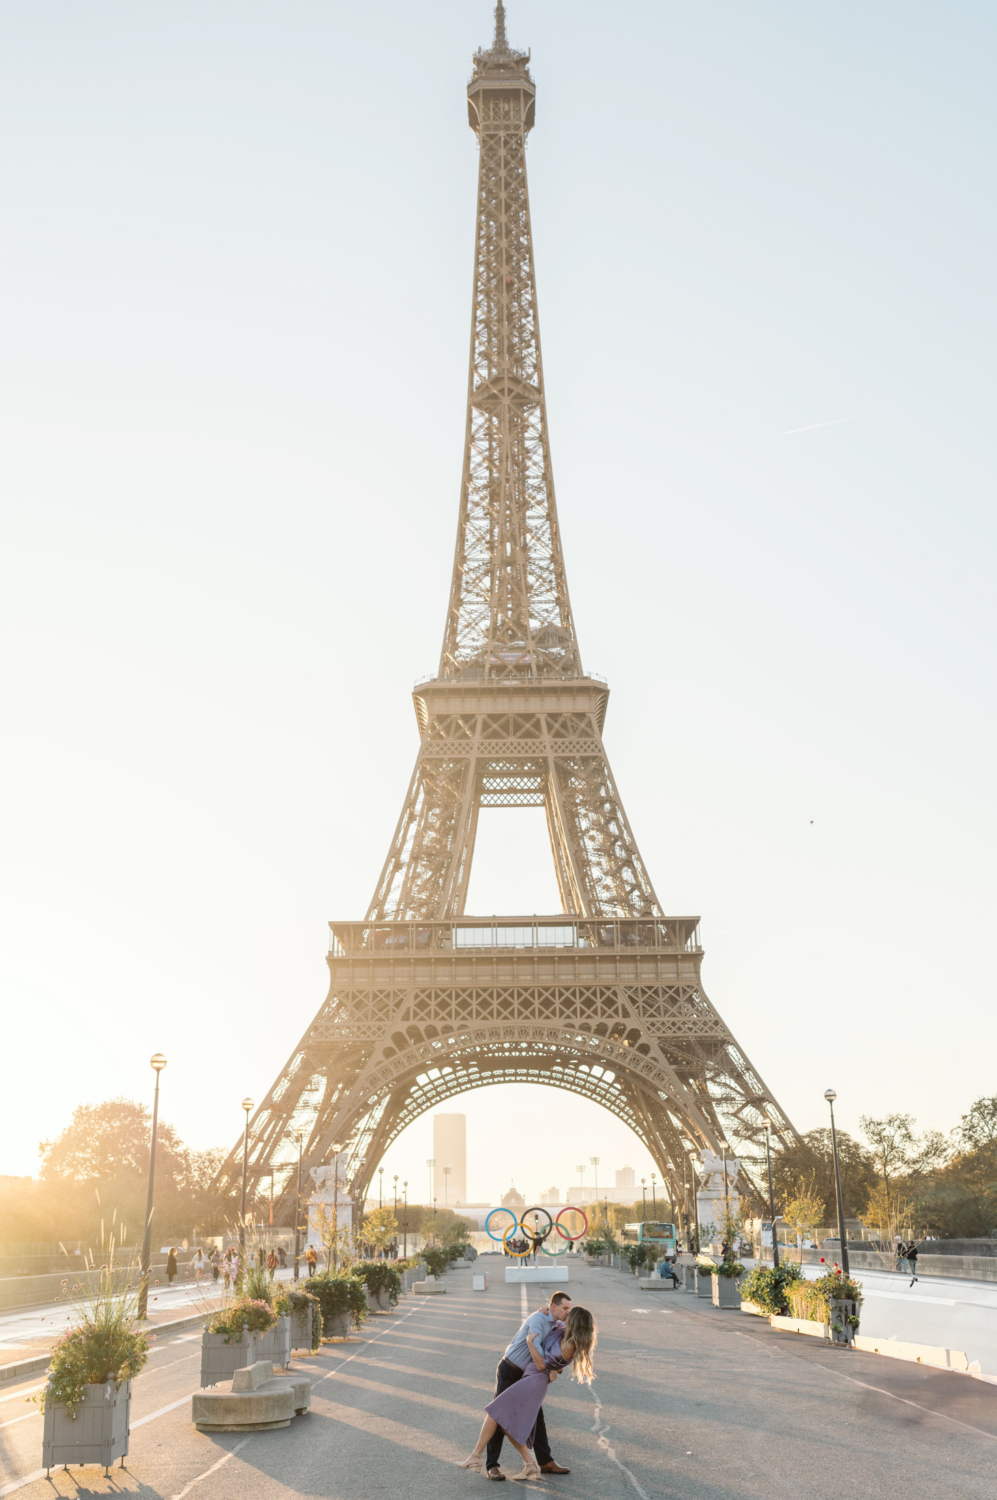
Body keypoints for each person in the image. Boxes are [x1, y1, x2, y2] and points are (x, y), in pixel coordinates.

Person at [460, 1304, 597, 1481]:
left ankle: (476, 1457)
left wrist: (530, 1343)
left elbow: (542, 1364)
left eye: (570, 1314)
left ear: (576, 1322)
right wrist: (543, 1312)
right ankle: (529, 1464)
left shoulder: (570, 1344)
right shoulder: (564, 1332)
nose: (566, 1315)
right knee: (502, 1418)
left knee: (496, 1412)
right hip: (531, 1377)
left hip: (535, 1380)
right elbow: (552, 1328)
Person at [478, 1291, 575, 1480]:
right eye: (565, 1308)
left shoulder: (558, 1325)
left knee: (537, 1417)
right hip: (511, 1369)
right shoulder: (538, 1319)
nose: (567, 1313)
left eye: (570, 1309)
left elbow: (555, 1351)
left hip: (527, 1376)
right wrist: (549, 1369)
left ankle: (545, 1461)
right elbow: (539, 1354)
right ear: (552, 1306)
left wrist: (557, 1368)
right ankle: (492, 1466)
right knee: (499, 1415)